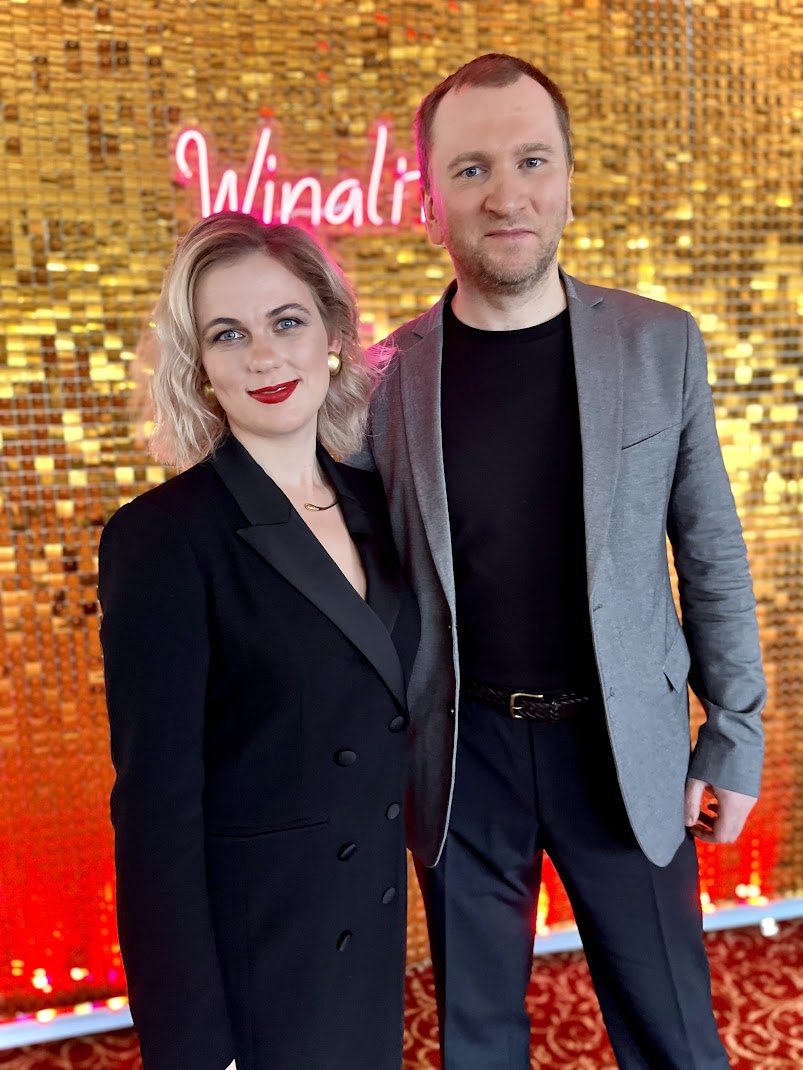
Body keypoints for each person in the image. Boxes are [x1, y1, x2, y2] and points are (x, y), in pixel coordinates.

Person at [351, 54, 766, 1069]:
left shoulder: (660, 344)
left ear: (568, 179)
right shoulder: (380, 380)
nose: (506, 195)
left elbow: (709, 549)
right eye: (470, 169)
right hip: (464, 755)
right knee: (475, 1044)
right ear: (427, 200)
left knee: (675, 1036)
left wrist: (734, 732)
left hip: (621, 749)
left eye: (531, 160)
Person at [98, 212, 419, 1070]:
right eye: (228, 335)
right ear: (200, 368)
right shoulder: (162, 537)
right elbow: (156, 818)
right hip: (259, 967)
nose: (263, 357)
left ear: (333, 335)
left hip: (371, 938)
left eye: (286, 322)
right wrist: (194, 1048)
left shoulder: (380, 504)